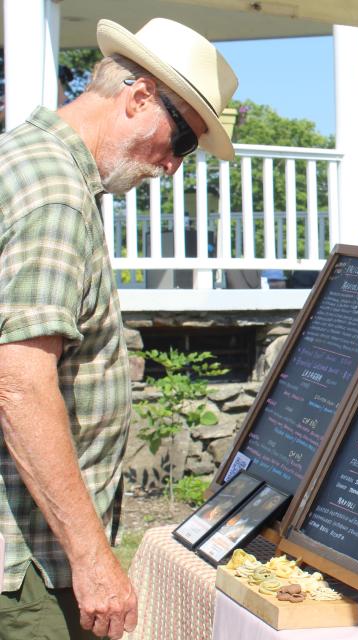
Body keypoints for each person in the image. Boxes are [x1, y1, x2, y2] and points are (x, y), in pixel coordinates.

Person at [0, 18, 237, 640]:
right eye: (182, 140)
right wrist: (94, 561)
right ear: (138, 98)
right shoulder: (56, 194)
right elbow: (18, 386)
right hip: (30, 567)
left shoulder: (27, 159)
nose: (172, 166)